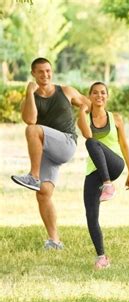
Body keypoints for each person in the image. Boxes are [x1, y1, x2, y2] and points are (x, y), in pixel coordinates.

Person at [11, 57, 90, 250]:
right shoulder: (30, 98)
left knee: (33, 131)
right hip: (47, 150)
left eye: (48, 71)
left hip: (66, 142)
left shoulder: (66, 91)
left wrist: (81, 116)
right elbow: (30, 119)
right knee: (43, 193)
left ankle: (33, 176)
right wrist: (29, 92)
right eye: (40, 72)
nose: (45, 75)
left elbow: (87, 102)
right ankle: (54, 241)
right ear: (33, 74)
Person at [77, 82, 129, 269]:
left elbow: (124, 145)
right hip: (95, 171)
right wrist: (82, 111)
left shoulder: (116, 118)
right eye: (95, 93)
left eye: (102, 93)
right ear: (90, 96)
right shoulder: (84, 118)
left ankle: (109, 185)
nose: (99, 95)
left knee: (93, 144)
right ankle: (102, 257)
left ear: (107, 96)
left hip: (115, 164)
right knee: (91, 214)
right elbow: (86, 134)